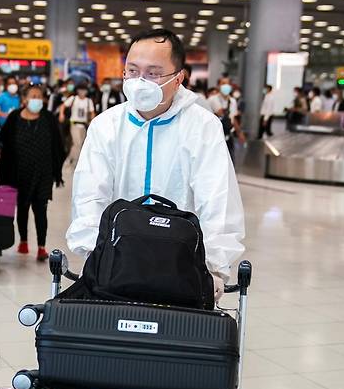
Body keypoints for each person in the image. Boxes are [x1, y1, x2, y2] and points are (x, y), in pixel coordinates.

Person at [66, 29, 244, 302]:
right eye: (133, 71)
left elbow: (218, 198)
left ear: (178, 78)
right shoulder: (107, 126)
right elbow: (90, 195)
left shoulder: (202, 127)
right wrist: (95, 255)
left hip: (182, 267)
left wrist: (214, 266)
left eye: (153, 73)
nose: (140, 81)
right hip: (116, 264)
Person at [0, 85, 65, 261]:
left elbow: (58, 144)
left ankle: (42, 247)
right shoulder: (14, 118)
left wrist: (56, 170)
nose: (37, 99)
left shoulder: (48, 118)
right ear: (25, 99)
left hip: (43, 172)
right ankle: (24, 241)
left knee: (41, 209)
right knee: (22, 208)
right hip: (19, 172)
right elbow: (3, 142)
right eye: (33, 96)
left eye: (39, 97)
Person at [207, 77, 245, 159]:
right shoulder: (212, 99)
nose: (226, 86)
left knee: (230, 159)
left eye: (228, 84)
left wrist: (239, 133)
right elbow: (218, 113)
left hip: (228, 134)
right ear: (218, 86)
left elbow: (232, 118)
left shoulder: (232, 101)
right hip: (214, 136)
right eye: (223, 83)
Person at [60, 83, 95, 167]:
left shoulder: (88, 101)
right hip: (74, 124)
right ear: (77, 91)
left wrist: (92, 120)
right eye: (80, 90)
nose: (82, 92)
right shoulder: (73, 98)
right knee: (77, 143)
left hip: (83, 125)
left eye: (84, 90)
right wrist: (61, 114)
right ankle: (73, 161)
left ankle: (71, 159)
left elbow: (92, 112)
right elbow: (63, 106)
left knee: (81, 144)